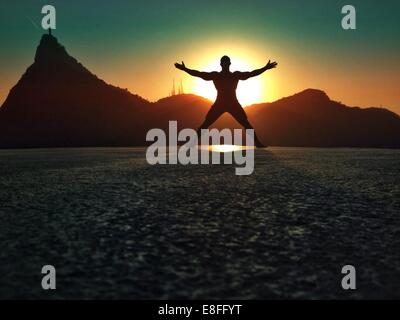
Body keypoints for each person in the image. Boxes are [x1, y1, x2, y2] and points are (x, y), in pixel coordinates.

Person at [175, 55, 277, 147]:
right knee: (206, 124)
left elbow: (251, 74)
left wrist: (265, 68)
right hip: (221, 104)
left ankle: (257, 143)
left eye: (226, 62)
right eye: (224, 62)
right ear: (222, 64)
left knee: (245, 124)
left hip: (231, 104)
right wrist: (185, 69)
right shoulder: (219, 75)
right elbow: (199, 74)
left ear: (228, 64)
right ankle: (192, 143)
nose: (225, 64)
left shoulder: (233, 75)